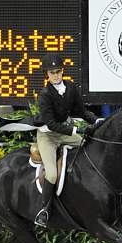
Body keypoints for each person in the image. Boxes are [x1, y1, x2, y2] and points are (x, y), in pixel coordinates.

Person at [32, 52, 98, 228]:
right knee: (52, 173)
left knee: (88, 143)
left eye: (58, 71)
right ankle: (44, 210)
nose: (56, 75)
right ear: (47, 74)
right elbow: (52, 124)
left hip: (64, 132)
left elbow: (81, 111)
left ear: (62, 71)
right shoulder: (45, 94)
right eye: (52, 72)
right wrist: (76, 129)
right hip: (48, 136)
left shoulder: (70, 87)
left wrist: (96, 121)